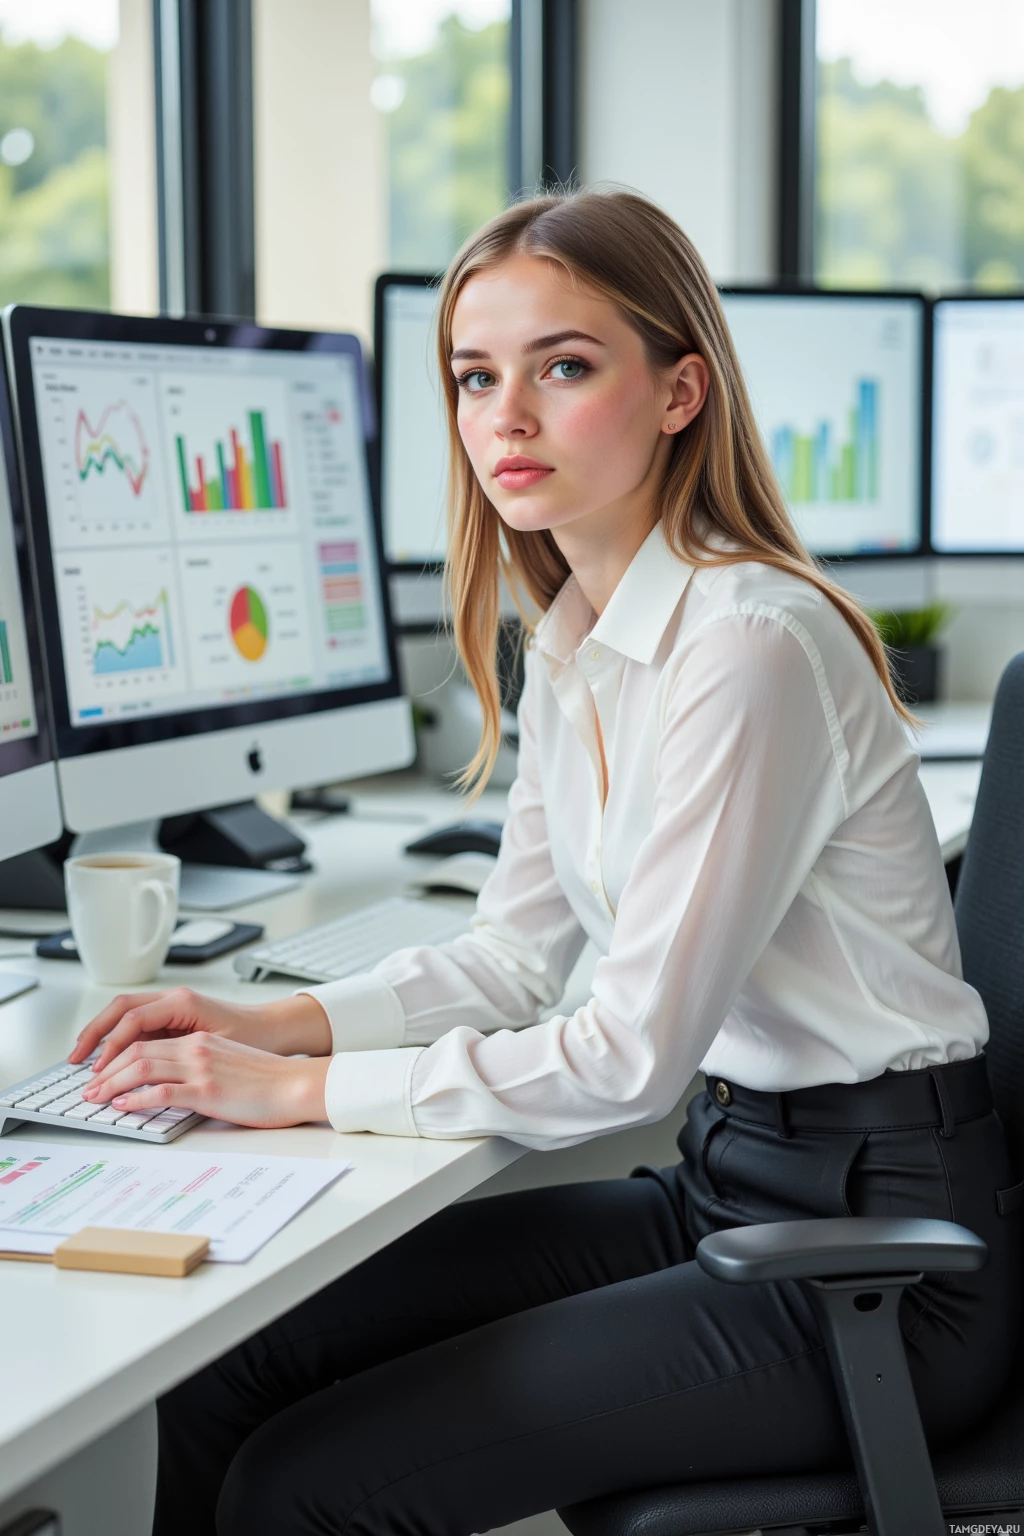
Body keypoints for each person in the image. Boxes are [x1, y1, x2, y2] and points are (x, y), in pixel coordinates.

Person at [71, 188, 1019, 1536]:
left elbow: (628, 1053)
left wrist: (302, 1090)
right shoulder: (576, 633)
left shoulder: (748, 645)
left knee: (309, 1489)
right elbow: (515, 956)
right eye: (475, 376)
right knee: (230, 1361)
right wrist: (268, 1019)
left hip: (881, 1264)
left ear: (680, 390)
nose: (503, 417)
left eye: (563, 366)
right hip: (729, 1183)